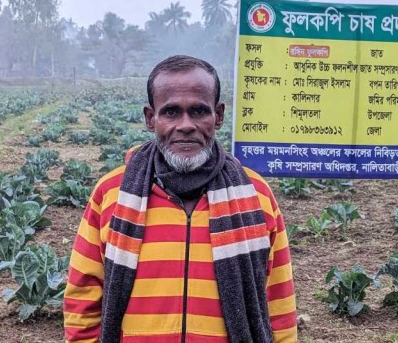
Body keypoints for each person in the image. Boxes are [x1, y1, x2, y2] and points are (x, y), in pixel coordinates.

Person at [63, 55, 297, 343]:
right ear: (151, 118)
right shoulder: (112, 193)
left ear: (219, 116)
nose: (186, 125)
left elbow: (279, 301)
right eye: (171, 112)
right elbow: (83, 298)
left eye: (199, 111)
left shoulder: (255, 195)